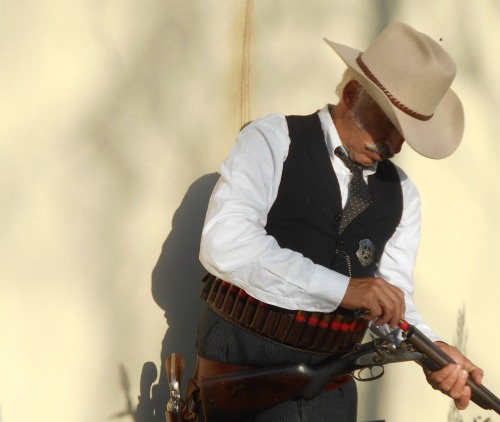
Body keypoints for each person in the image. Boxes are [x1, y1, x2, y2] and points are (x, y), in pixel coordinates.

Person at [194, 21, 484, 421]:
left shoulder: (403, 194)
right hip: (242, 380)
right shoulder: (272, 140)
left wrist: (432, 351)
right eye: (393, 126)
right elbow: (225, 243)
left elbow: (392, 302)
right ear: (351, 94)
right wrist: (343, 289)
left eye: (409, 134)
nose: (397, 146)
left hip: (333, 396)